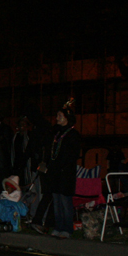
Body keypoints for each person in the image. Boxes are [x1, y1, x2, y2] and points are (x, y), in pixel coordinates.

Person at [38, 101, 81, 238]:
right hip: (54, 173)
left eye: (59, 115)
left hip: (65, 174)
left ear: (66, 118)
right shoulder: (55, 133)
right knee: (56, 201)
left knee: (65, 202)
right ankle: (58, 226)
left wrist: (62, 167)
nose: (57, 118)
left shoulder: (73, 134)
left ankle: (67, 229)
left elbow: (72, 155)